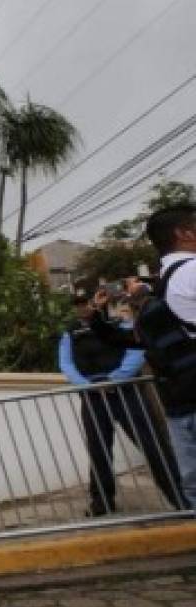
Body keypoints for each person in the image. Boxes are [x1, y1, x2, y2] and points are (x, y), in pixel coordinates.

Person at [92, 205, 196, 513]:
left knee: (192, 482)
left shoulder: (165, 284)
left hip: (179, 401)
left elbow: (134, 341)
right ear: (184, 233)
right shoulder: (186, 274)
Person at [58, 293, 185, 516]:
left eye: (86, 302)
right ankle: (102, 502)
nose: (83, 307)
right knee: (98, 451)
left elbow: (136, 351)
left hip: (126, 392)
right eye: (78, 304)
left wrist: (116, 379)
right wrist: (87, 385)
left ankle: (180, 498)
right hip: (93, 396)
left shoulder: (120, 324)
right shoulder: (70, 333)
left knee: (152, 445)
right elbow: (66, 363)